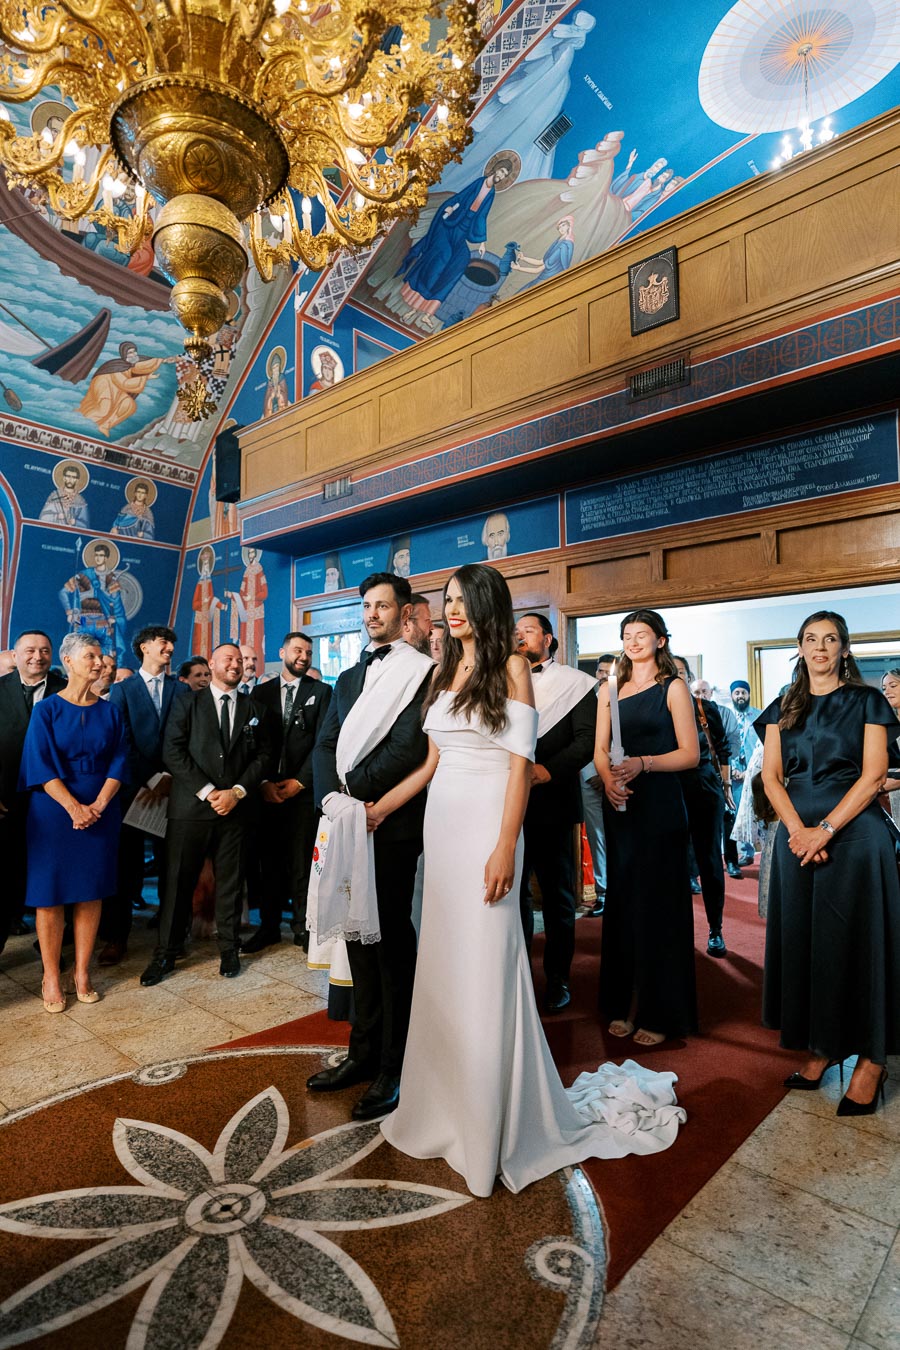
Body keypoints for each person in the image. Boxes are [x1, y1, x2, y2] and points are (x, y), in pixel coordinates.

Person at [368, 565, 686, 1197]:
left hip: (489, 829)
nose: (453, 611)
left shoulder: (512, 668)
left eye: (464, 601)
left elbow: (520, 769)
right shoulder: (440, 672)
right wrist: (378, 808)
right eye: (448, 601)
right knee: (444, 965)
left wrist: (505, 847)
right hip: (442, 829)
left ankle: (492, 1120)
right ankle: (442, 1107)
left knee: (487, 966)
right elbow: (432, 762)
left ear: (488, 605)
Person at [758, 611, 900, 1114]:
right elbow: (772, 778)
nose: (820, 648)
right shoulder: (782, 707)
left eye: (831, 639)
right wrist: (799, 832)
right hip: (797, 836)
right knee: (808, 945)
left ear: (844, 648)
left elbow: (874, 776)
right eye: (811, 640)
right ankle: (820, 1046)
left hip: (856, 835)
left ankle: (872, 1060)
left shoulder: (868, 700)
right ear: (799, 648)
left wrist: (826, 829)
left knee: (859, 945)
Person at [306, 572, 433, 1121]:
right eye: (367, 606)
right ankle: (361, 1052)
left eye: (383, 606)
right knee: (356, 942)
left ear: (405, 615)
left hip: (391, 826)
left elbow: (409, 747)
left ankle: (394, 1067)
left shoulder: (422, 673)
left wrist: (354, 795)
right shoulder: (347, 678)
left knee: (389, 945)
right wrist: (333, 800)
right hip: (345, 821)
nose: (372, 613)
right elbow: (325, 743)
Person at [140, 643, 275, 986]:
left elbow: (263, 755)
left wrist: (237, 792)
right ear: (212, 663)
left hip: (237, 810)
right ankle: (166, 954)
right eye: (228, 659)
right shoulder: (187, 702)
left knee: (230, 883)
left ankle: (229, 950)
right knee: (178, 884)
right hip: (191, 809)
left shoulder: (253, 706)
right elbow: (172, 750)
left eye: (240, 660)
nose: (236, 664)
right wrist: (209, 791)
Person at [594, 610, 700, 1045]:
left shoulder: (672, 688)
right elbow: (600, 749)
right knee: (623, 904)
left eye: (641, 635)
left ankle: (661, 1011)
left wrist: (644, 764)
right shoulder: (609, 689)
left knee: (659, 909)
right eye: (626, 635)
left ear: (660, 641)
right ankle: (621, 1003)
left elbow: (690, 754)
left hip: (660, 805)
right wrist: (609, 782)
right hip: (622, 804)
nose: (632, 641)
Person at [19, 633, 128, 1010]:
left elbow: (119, 761)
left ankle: (81, 971)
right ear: (67, 661)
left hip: (101, 808)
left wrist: (97, 803)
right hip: (53, 812)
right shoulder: (46, 710)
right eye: (90, 656)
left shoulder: (111, 711)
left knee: (90, 892)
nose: (98, 663)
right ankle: (51, 975)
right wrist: (74, 807)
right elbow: (40, 764)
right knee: (49, 897)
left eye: (100, 657)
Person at [515, 613, 596, 1013]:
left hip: (555, 801)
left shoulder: (575, 683)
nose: (520, 635)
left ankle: (558, 978)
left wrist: (548, 770)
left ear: (548, 638)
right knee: (513, 895)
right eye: (517, 631)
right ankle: (518, 974)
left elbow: (586, 742)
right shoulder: (503, 680)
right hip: (509, 802)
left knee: (557, 896)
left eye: (528, 630)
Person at [98, 625, 188, 966]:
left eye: (171, 643)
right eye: (163, 642)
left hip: (175, 790)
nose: (169, 648)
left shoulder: (183, 692)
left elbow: (186, 738)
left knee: (172, 868)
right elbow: (119, 741)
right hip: (133, 792)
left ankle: (171, 938)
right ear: (145, 647)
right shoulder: (123, 690)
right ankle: (116, 937)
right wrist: (150, 778)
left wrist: (169, 777)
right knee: (126, 868)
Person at [242, 632, 333, 953]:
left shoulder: (322, 692)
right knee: (268, 863)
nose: (303, 656)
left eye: (308, 652)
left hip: (302, 792)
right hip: (265, 791)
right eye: (297, 650)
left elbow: (324, 742)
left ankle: (302, 927)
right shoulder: (260, 693)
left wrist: (300, 781)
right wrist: (263, 782)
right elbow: (251, 742)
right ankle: (268, 927)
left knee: (302, 864)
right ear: (282, 652)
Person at [0, 631, 66, 955]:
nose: (37, 656)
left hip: (53, 803)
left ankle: (50, 952)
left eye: (44, 651)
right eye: (29, 650)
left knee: (51, 879)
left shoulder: (66, 693)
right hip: (4, 804)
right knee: (4, 878)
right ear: (15, 655)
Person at [673, 657, 733, 958]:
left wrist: (726, 787)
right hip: (668, 788)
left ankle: (716, 929)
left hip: (704, 786)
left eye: (681, 673)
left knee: (709, 859)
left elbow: (722, 749)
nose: (675, 678)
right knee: (672, 862)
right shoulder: (658, 710)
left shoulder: (705, 708)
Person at [692, 677, 744, 879]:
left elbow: (731, 742)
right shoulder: (687, 714)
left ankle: (731, 860)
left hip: (722, 770)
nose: (701, 696)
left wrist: (727, 774)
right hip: (699, 772)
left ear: (711, 693)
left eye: (704, 692)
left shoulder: (724, 713)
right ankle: (693, 871)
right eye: (696, 693)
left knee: (728, 817)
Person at [580, 654, 615, 918]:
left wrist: (610, 774)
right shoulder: (584, 696)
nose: (603, 675)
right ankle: (603, 893)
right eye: (600, 671)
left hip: (617, 775)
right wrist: (593, 772)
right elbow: (583, 738)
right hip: (589, 777)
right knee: (598, 838)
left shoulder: (620, 696)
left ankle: (622, 890)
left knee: (620, 835)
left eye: (607, 671)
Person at [729, 679, 761, 864]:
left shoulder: (758, 715)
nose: (740, 696)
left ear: (748, 694)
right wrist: (731, 769)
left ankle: (748, 852)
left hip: (753, 767)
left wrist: (749, 770)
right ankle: (731, 853)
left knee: (750, 808)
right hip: (731, 770)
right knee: (732, 811)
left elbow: (761, 745)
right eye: (737, 693)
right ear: (732, 695)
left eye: (743, 692)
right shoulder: (726, 716)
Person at [879, 668, 900, 827]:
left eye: (893, 686)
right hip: (888, 805)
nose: (887, 691)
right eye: (884, 688)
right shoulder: (884, 727)